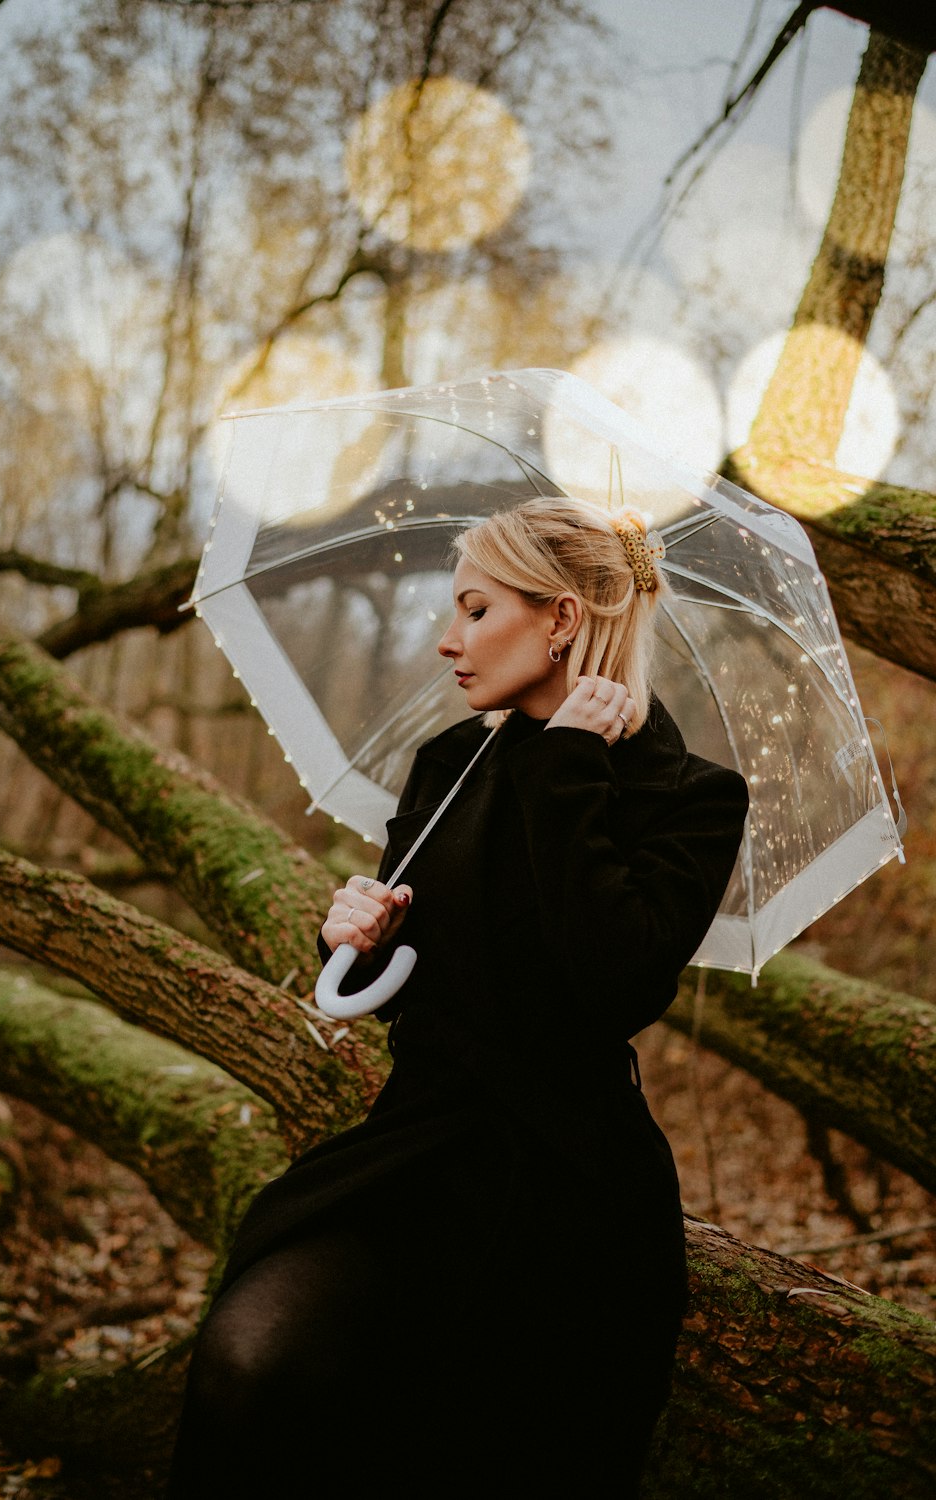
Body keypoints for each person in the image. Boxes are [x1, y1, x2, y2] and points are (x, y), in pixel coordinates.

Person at [165, 496, 749, 1498]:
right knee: (249, 1356)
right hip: (419, 1149)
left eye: (476, 610)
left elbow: (611, 983)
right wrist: (352, 932)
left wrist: (569, 762)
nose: (448, 642)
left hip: (571, 1183)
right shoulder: (450, 763)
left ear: (562, 620)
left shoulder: (690, 797)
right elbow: (411, 991)